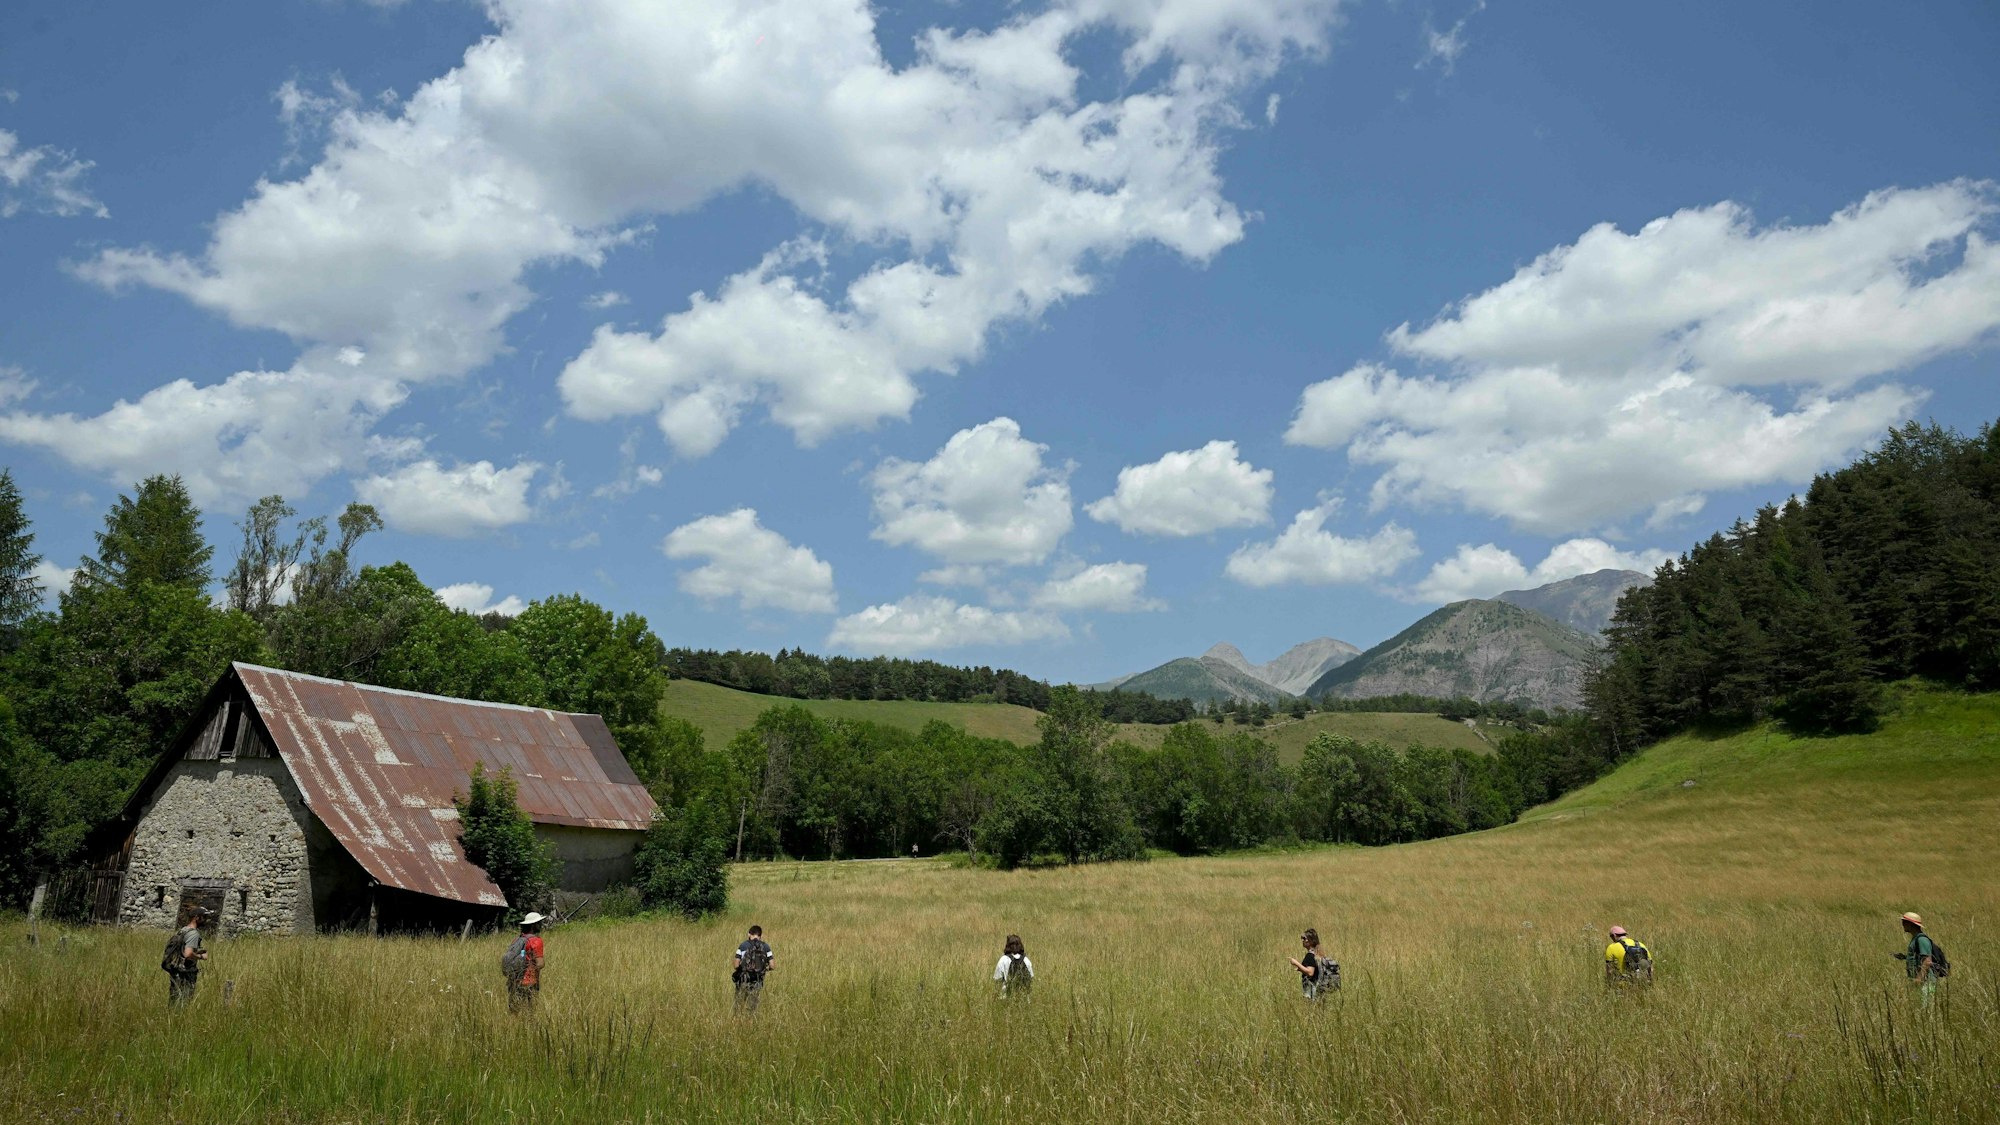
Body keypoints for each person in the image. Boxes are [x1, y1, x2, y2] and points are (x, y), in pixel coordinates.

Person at [163, 906, 212, 1009]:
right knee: (183, 1002)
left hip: (177, 970)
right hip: (185, 973)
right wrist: (201, 956)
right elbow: (188, 954)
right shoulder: (193, 934)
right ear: (196, 918)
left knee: (174, 1000)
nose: (206, 920)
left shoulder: (183, 930)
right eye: (204, 917)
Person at [1894, 911, 1944, 1006]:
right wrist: (1905, 957)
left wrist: (1919, 979)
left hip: (1925, 981)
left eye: (1904, 922)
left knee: (1925, 1008)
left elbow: (1927, 961)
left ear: (1911, 924)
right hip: (1921, 981)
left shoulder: (1921, 940)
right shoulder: (1916, 938)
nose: (1902, 924)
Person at [503, 912, 547, 1015]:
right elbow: (540, 964)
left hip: (513, 981)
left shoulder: (517, 940)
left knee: (515, 1011)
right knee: (530, 1012)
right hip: (529, 982)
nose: (541, 925)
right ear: (533, 925)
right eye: (539, 923)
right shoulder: (536, 941)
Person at [732, 924, 774, 1015]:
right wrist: (763, 969)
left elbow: (736, 965)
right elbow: (772, 965)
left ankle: (736, 1022)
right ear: (760, 935)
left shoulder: (743, 945)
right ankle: (750, 1023)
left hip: (743, 979)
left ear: (749, 934)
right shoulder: (766, 947)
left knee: (738, 1004)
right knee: (753, 1006)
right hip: (758, 980)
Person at [1288, 928, 1336, 999]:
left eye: (1304, 938)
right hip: (1319, 991)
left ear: (1310, 941)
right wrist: (1301, 969)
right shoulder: (1318, 954)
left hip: (1312, 992)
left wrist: (1296, 963)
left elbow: (1310, 973)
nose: (1302, 940)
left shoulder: (1310, 956)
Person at [994, 934, 1035, 999]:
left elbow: (997, 979)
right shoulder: (1026, 960)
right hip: (1024, 998)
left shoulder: (1003, 960)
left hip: (1006, 998)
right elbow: (1031, 978)